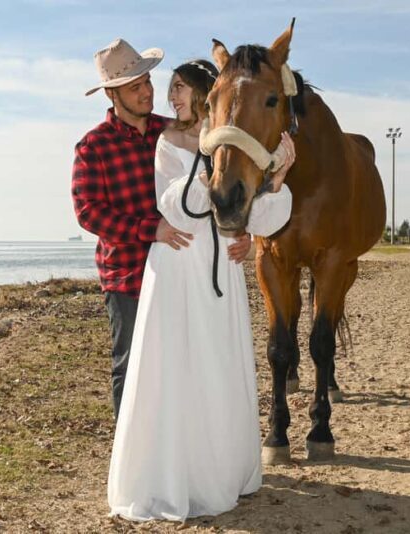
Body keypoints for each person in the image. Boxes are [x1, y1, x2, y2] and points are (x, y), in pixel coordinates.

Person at [107, 59, 296, 522]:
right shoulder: (168, 143)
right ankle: (178, 478)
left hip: (221, 273)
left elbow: (264, 216)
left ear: (205, 96)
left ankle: (222, 470)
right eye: (169, 88)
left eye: (179, 88)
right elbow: (182, 206)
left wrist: (276, 176)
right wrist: (212, 159)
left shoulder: (233, 148)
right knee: (177, 369)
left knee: (218, 366)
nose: (171, 97)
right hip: (178, 269)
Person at [71, 40, 250, 421]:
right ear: (112, 94)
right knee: (131, 363)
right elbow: (88, 213)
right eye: (135, 86)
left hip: (181, 269)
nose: (148, 91)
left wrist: (239, 230)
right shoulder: (93, 147)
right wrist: (150, 229)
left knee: (178, 365)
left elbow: (220, 183)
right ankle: (131, 455)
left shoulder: (175, 130)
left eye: (148, 82)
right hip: (128, 273)